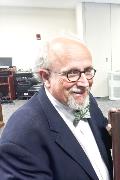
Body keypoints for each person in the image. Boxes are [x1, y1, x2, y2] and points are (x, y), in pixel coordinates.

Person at [0, 36, 112, 180]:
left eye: (88, 71)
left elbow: (98, 139)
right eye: (72, 73)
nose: (85, 83)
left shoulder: (86, 99)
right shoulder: (21, 135)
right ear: (45, 77)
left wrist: (115, 132)